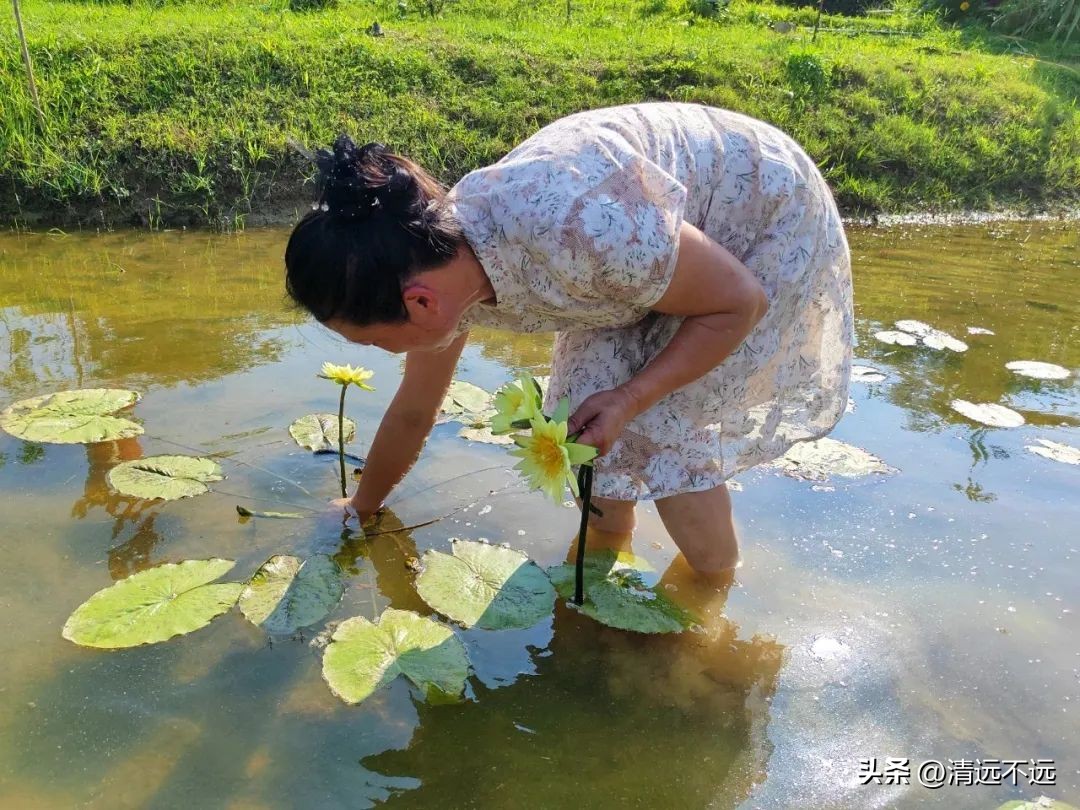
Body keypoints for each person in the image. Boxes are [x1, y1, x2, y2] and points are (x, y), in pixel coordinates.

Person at [284, 101, 853, 577]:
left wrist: (631, 397)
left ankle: (711, 592)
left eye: (373, 343)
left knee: (664, 432)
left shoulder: (579, 229)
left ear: (420, 304)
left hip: (756, 212)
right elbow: (415, 409)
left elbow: (739, 302)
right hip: (637, 253)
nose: (385, 354)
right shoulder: (438, 265)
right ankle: (607, 559)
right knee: (584, 430)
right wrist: (361, 506)